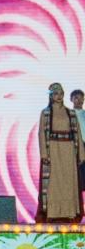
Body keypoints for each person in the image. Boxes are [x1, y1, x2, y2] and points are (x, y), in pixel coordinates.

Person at [35, 83, 84, 223]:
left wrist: (81, 154)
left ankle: (69, 213)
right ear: (51, 96)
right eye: (56, 93)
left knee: (68, 183)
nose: (59, 96)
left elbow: (77, 134)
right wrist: (44, 154)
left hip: (68, 151)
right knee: (54, 183)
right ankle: (53, 213)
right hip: (53, 151)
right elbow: (41, 133)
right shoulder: (45, 113)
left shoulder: (71, 113)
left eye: (61, 93)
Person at [72, 89, 85, 194]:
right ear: (71, 99)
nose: (79, 100)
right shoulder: (68, 114)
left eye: (82, 98)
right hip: (74, 145)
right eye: (76, 98)